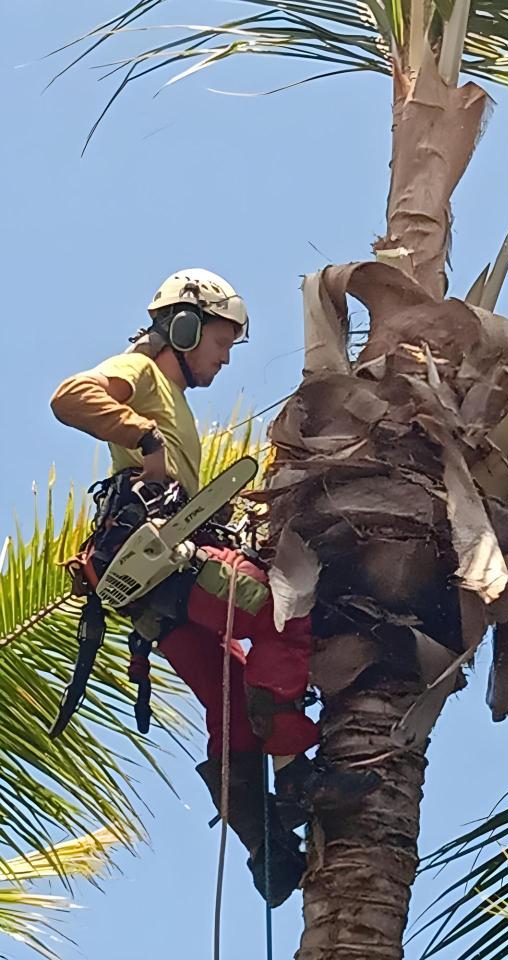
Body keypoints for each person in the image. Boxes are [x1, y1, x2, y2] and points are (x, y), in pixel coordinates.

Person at [50, 268, 378, 905]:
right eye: (221, 341)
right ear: (184, 326)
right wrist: (144, 439)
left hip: (153, 596)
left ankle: (268, 848)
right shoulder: (142, 375)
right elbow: (70, 396)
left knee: (231, 697)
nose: (226, 358)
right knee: (285, 607)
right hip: (160, 563)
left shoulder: (175, 406)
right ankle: (296, 778)